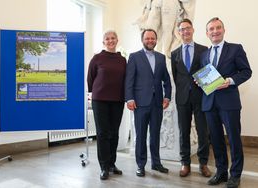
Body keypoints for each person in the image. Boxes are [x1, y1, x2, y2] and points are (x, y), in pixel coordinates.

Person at [200, 17, 252, 188]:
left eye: (218, 27)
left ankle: (235, 175)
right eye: (211, 29)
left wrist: (229, 80)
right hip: (209, 104)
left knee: (234, 139)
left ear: (223, 30)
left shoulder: (235, 49)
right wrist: (200, 81)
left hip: (229, 103)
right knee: (216, 140)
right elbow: (206, 78)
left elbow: (246, 71)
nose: (215, 31)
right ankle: (221, 172)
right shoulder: (204, 55)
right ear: (207, 33)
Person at [125, 29, 172, 177]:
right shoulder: (134, 57)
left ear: (156, 40)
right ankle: (140, 165)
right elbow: (129, 80)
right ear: (142, 40)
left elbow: (167, 80)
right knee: (141, 135)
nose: (150, 40)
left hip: (157, 103)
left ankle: (156, 163)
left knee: (155, 135)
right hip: (140, 103)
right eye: (147, 38)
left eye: (152, 38)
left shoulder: (161, 57)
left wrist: (167, 96)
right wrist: (130, 98)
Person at [171, 18, 211, 178]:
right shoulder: (174, 53)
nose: (185, 31)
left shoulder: (204, 50)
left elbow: (208, 71)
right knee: (183, 132)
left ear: (193, 30)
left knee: (203, 131)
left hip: (200, 96)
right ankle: (185, 163)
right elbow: (176, 77)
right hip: (182, 98)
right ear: (179, 33)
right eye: (182, 29)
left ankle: (203, 164)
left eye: (188, 28)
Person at [87, 30, 126, 180]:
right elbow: (90, 78)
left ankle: (111, 164)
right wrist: (95, 92)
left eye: (113, 38)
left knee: (114, 133)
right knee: (103, 133)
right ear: (104, 42)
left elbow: (125, 79)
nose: (110, 41)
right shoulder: (97, 58)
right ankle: (103, 166)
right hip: (100, 100)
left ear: (117, 40)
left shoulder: (122, 60)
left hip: (117, 100)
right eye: (107, 39)